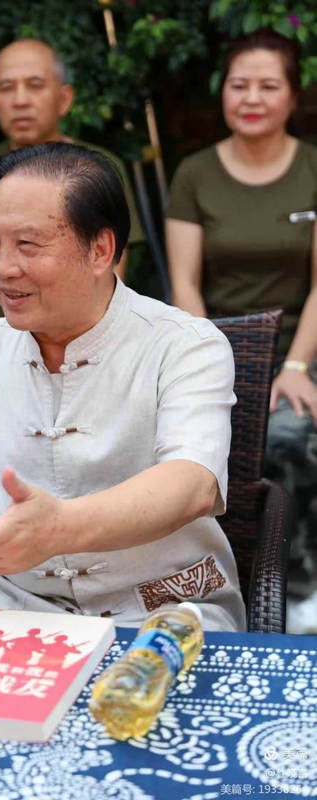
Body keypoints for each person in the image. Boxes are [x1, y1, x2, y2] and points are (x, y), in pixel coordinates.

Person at [0, 142, 245, 632]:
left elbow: (192, 484)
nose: (3, 267)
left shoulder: (186, 345)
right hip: (9, 600)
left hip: (161, 605)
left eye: (28, 245)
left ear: (100, 250)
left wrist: (60, 527)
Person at [165, 30, 317, 612]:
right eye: (239, 85)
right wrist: (212, 365)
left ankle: (295, 588)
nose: (252, 98)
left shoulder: (312, 168)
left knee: (286, 435)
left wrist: (296, 367)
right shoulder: (195, 173)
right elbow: (185, 284)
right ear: (223, 92)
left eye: (268, 86)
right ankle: (204, 583)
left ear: (293, 96)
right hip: (210, 345)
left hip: (301, 350)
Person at [0, 38, 143, 417]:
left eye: (35, 85)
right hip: (3, 339)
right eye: (7, 88)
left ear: (64, 98)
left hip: (84, 343)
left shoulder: (99, 170)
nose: (20, 100)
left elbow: (110, 274)